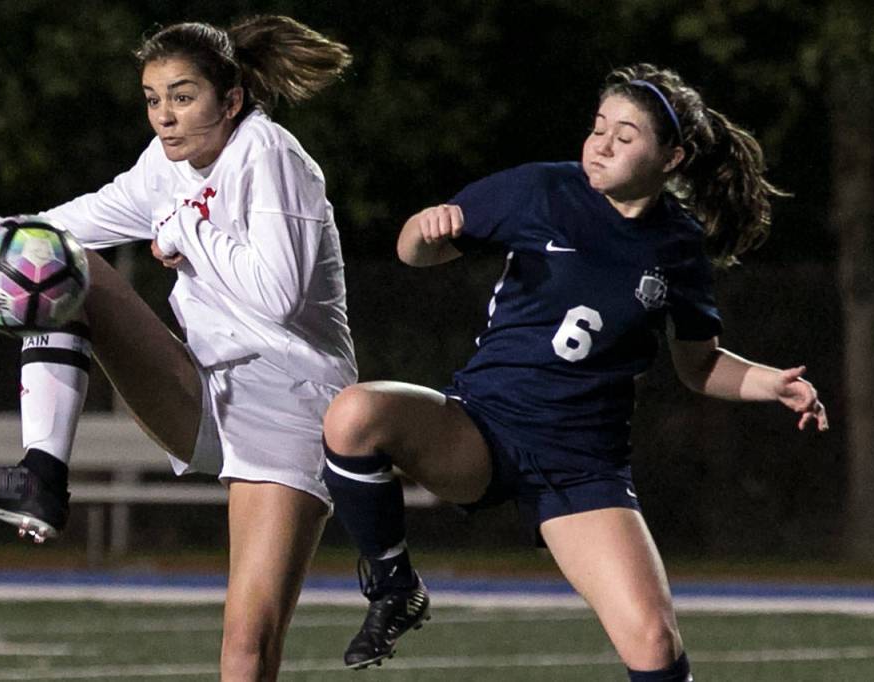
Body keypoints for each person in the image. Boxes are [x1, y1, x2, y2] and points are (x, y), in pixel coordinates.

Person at [320, 63, 830, 679]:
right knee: (354, 415)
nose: (602, 143)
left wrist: (771, 383)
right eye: (597, 127)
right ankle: (395, 586)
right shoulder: (542, 190)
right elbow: (412, 250)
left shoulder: (678, 246)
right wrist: (423, 234)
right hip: (482, 427)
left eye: (625, 134)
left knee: (654, 643)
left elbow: (700, 366)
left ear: (671, 158)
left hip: (580, 462)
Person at [0, 16, 355, 681]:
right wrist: (15, 231)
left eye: (183, 96)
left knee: (247, 645)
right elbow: (90, 217)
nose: (165, 116)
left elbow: (279, 295)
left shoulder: (269, 155)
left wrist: (188, 230)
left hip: (291, 407)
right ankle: (41, 477)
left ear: (230, 100)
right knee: (61, 263)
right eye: (153, 99)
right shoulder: (166, 165)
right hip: (209, 393)